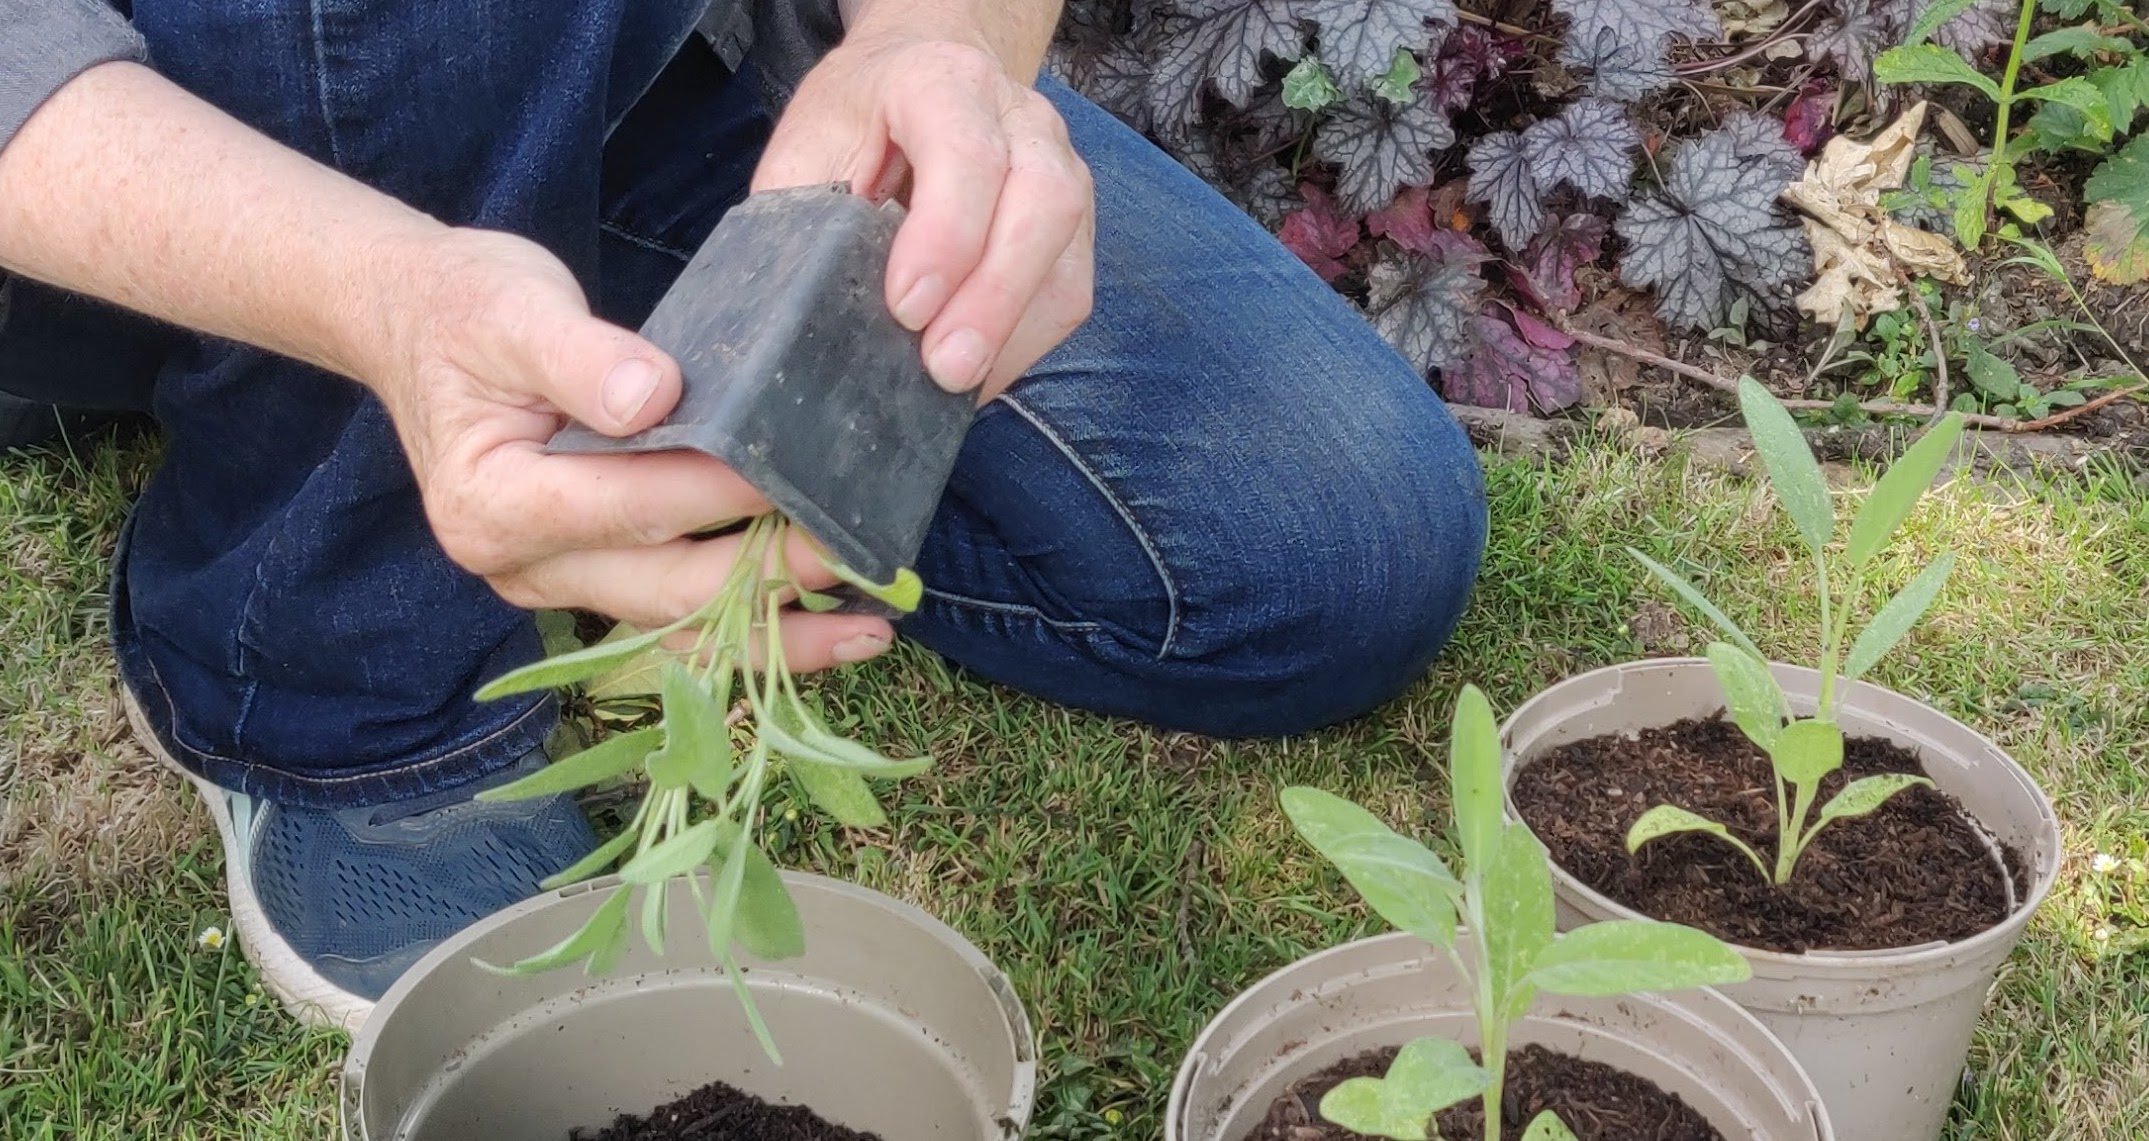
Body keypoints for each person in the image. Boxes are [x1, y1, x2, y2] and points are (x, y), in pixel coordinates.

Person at [0, 0, 1490, 1032]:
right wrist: (379, 295)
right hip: (103, 140)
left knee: (1327, 545)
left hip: (650, 77)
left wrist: (938, 44)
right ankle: (320, 666)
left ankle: (560, 382)